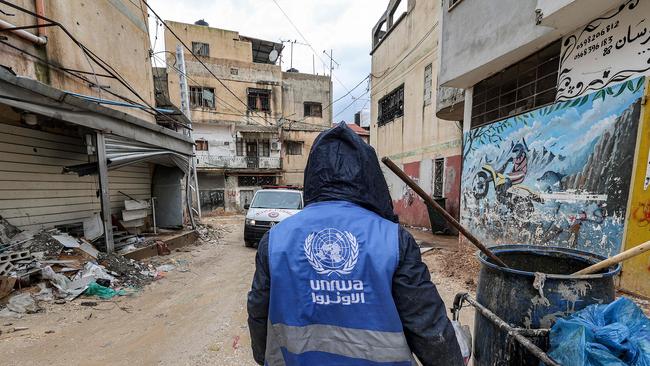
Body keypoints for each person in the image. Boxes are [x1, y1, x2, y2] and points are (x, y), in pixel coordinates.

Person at [247, 123, 464, 366]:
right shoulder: (393, 240)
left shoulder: (275, 240)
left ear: (313, 175)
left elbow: (258, 313)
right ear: (369, 175)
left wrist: (262, 356)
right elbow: (429, 329)